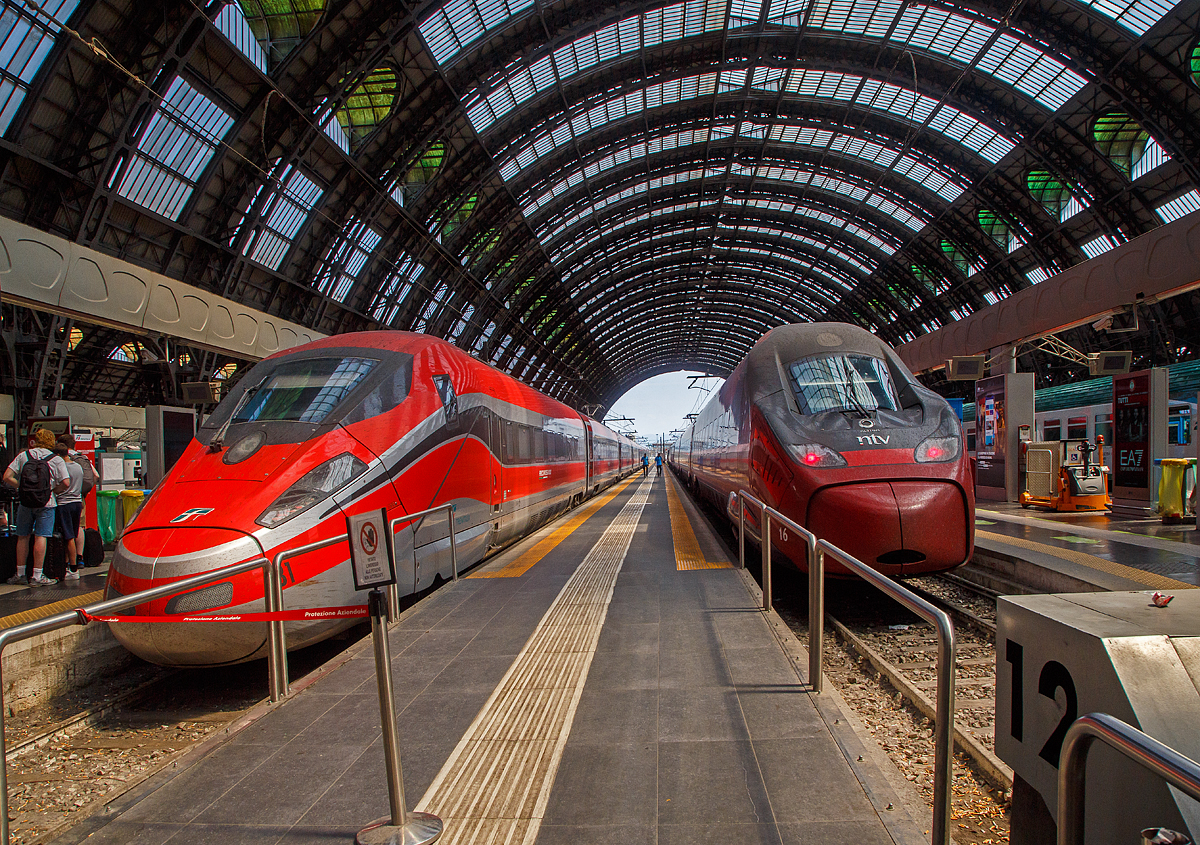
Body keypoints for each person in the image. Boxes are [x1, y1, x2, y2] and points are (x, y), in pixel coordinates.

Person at [3, 429, 70, 585]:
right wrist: (52, 491)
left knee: (23, 536)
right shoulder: (56, 459)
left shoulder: (24, 455)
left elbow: (7, 476)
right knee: (41, 536)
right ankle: (37, 576)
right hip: (47, 503)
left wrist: (22, 488)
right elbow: (66, 482)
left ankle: (20, 574)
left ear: (36, 440)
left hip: (26, 502)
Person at [53, 435, 85, 581]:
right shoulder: (78, 466)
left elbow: (61, 484)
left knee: (68, 537)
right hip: (77, 502)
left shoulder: (62, 468)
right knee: (72, 533)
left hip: (64, 503)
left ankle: (73, 568)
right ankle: (68, 565)